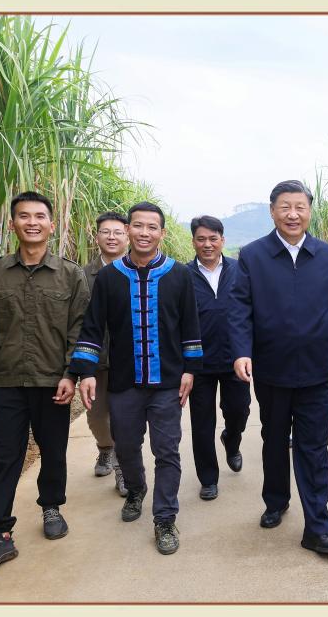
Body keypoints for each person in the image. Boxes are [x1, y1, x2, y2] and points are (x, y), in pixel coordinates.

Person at [0, 191, 90, 575]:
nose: (32, 222)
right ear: (12, 224)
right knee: (3, 456)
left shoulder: (70, 274)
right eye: (24, 216)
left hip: (53, 381)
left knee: (53, 450)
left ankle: (51, 506)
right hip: (5, 380)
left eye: (39, 216)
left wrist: (71, 374)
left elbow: (78, 329)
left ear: (52, 225)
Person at [228, 180, 328, 556]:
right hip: (272, 370)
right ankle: (276, 499)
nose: (293, 214)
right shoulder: (253, 256)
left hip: (319, 371)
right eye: (285, 207)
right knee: (274, 439)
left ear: (310, 211)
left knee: (313, 447)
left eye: (300, 207)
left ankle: (317, 528)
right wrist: (241, 352)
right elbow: (240, 308)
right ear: (272, 211)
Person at [72, 201, 202, 555]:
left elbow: (190, 325)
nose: (145, 233)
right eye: (138, 226)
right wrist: (86, 372)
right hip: (124, 381)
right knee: (126, 446)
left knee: (167, 450)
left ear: (162, 233)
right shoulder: (109, 277)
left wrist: (190, 369)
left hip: (167, 383)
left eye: (152, 227)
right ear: (129, 229)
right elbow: (93, 327)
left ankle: (165, 518)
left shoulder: (179, 275)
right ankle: (136, 488)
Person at [186, 215, 251, 501]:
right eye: (201, 239)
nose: (207, 244)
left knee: (239, 411)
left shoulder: (240, 270)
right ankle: (208, 479)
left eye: (213, 238)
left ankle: (232, 440)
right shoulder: (183, 275)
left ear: (222, 240)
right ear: (193, 242)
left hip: (235, 358)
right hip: (198, 363)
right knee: (202, 424)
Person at [82, 211, 129, 495]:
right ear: (96, 236)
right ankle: (105, 448)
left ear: (127, 236)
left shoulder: (137, 270)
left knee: (125, 419)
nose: (112, 238)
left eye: (117, 232)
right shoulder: (82, 275)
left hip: (129, 360)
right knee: (97, 416)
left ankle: (124, 470)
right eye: (105, 232)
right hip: (96, 360)